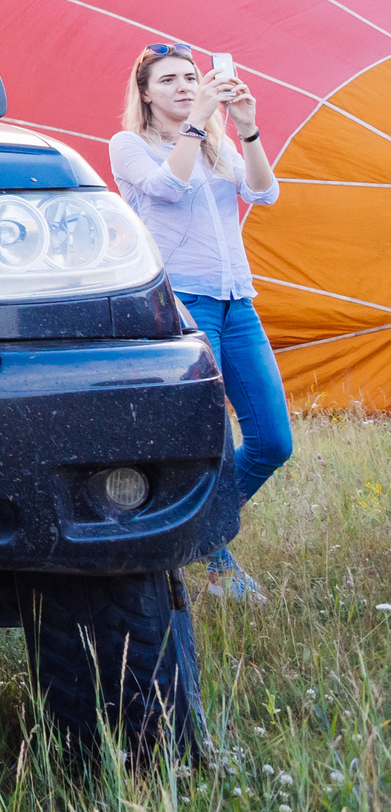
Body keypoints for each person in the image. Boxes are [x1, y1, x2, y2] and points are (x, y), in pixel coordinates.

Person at [109, 44, 284, 600]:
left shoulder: (219, 143)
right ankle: (219, 565)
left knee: (272, 442)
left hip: (238, 303)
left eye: (192, 77)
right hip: (182, 305)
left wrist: (247, 129)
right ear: (145, 93)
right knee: (212, 443)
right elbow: (169, 187)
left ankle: (190, 533)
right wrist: (199, 124)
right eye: (170, 81)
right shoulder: (129, 146)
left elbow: (264, 191)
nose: (185, 87)